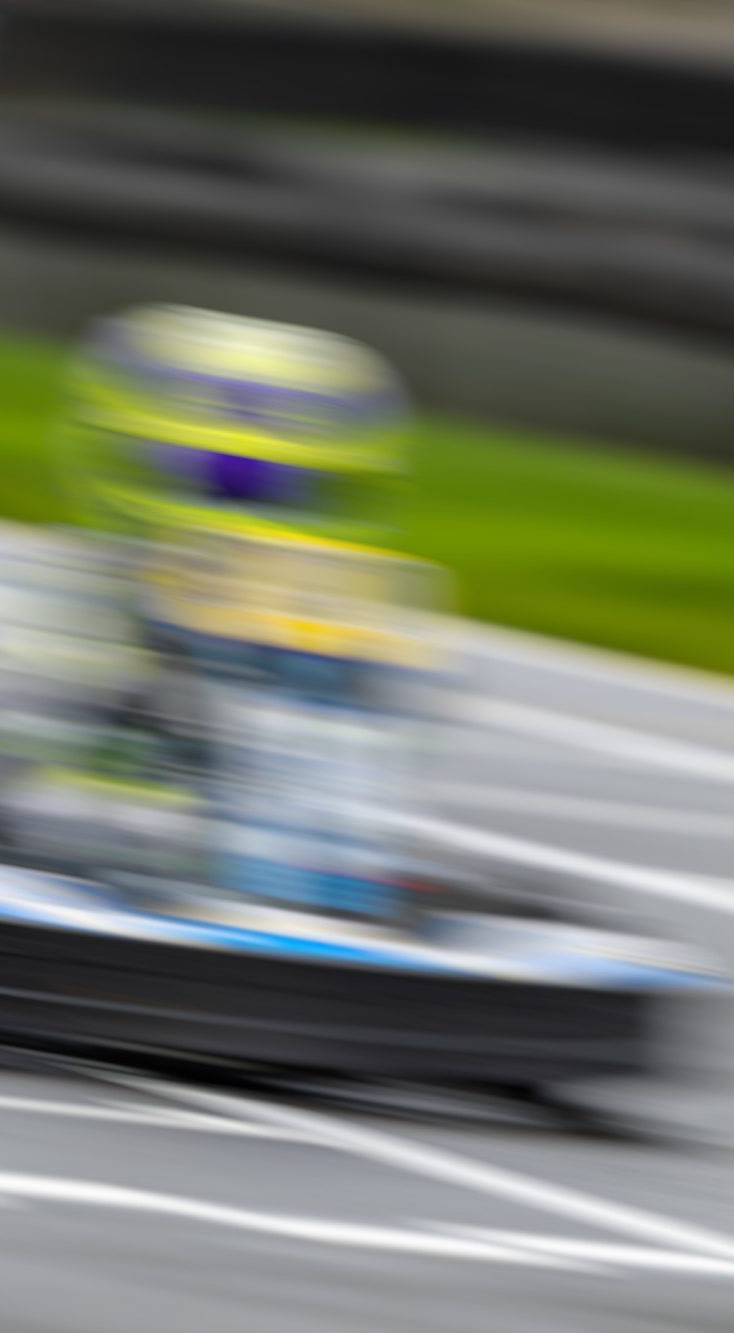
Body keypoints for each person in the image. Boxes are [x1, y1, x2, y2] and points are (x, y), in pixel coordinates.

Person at [46, 304, 446, 921]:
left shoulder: (352, 603)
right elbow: (44, 725)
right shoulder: (101, 585)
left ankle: (326, 879)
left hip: (288, 845)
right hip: (105, 835)